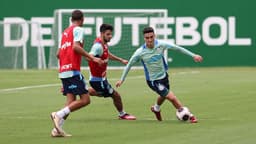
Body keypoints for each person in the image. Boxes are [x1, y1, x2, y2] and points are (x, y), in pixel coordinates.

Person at [116, 27, 203, 123]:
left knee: (164, 95)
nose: (149, 40)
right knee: (171, 97)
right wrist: (122, 79)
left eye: (151, 37)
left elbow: (178, 48)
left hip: (164, 77)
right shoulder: (140, 52)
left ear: (154, 36)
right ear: (144, 38)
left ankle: (156, 108)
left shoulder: (161, 45)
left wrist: (193, 55)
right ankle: (189, 115)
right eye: (147, 38)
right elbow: (129, 65)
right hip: (153, 81)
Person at [50, 10, 103, 137]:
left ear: (71, 19)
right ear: (82, 19)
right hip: (72, 70)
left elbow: (58, 54)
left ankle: (57, 130)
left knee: (70, 101)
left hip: (63, 70)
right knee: (85, 100)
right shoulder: (78, 29)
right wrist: (92, 58)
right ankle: (58, 114)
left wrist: (66, 60)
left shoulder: (64, 32)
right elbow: (75, 47)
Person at [88, 24, 136, 120]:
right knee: (115, 95)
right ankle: (122, 114)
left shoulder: (103, 44)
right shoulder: (97, 46)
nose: (110, 36)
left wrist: (120, 60)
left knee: (102, 93)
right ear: (102, 34)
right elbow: (88, 56)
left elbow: (107, 55)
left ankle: (79, 90)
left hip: (101, 79)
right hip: (97, 80)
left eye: (111, 34)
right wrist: (95, 60)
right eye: (108, 34)